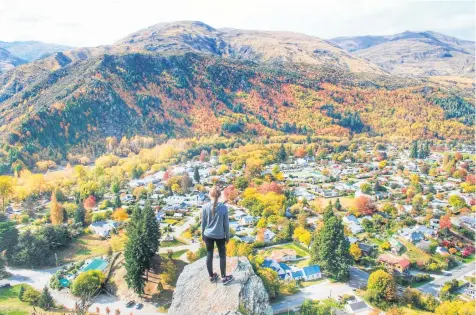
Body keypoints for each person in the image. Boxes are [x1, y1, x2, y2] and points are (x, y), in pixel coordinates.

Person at [201, 185, 233, 284]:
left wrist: (203, 235)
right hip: (220, 236)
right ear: (219, 196)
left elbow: (203, 223)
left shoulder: (205, 207)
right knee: (222, 256)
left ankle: (211, 276)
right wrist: (227, 236)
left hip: (208, 235)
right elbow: (226, 224)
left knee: (209, 254)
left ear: (210, 195)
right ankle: (224, 278)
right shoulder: (223, 208)